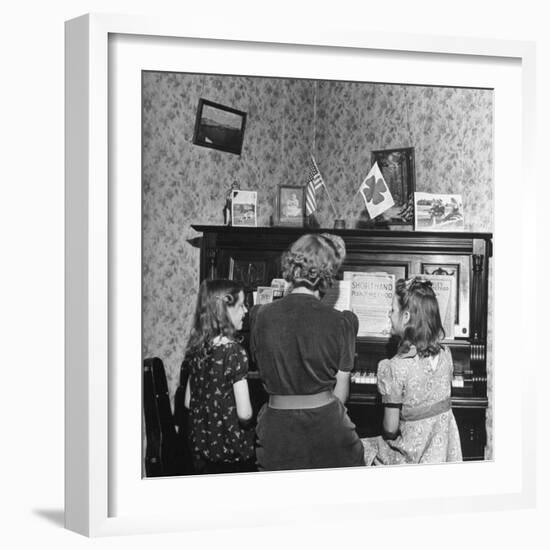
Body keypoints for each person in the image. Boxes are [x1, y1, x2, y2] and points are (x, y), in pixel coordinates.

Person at [249, 233, 365, 471]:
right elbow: (340, 397)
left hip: (276, 436)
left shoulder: (259, 315)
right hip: (328, 433)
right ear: (327, 273)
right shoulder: (342, 322)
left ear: (292, 265)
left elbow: (259, 367)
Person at [362, 277, 462, 465]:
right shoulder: (446, 354)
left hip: (410, 458)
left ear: (406, 317)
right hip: (443, 457)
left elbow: (390, 429)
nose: (389, 315)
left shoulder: (395, 366)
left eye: (392, 310)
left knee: (361, 447)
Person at [179, 279, 256, 474]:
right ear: (224, 311)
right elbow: (245, 414)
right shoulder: (234, 352)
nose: (246, 311)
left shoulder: (197, 349)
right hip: (231, 454)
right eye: (241, 305)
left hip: (200, 451)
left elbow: (188, 402)